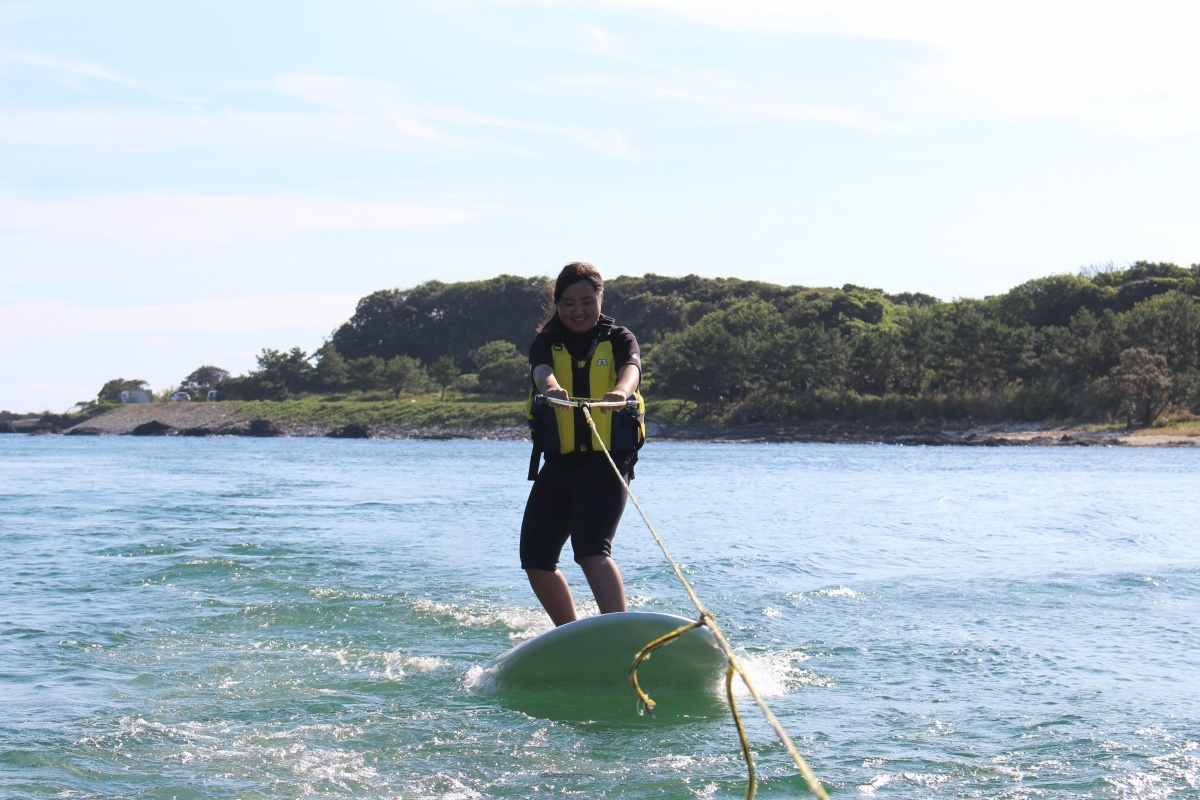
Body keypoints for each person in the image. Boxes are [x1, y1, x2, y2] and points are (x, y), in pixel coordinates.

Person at [521, 262, 645, 626]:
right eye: (569, 302)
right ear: (557, 303)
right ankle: (571, 634)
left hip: (607, 464)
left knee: (591, 550)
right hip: (559, 464)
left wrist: (620, 393)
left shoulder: (620, 338)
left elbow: (631, 369)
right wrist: (551, 388)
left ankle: (618, 634)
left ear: (600, 299)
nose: (578, 310)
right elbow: (541, 370)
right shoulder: (545, 342)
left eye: (587, 301)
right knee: (536, 557)